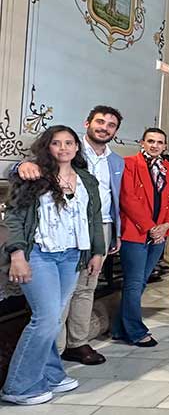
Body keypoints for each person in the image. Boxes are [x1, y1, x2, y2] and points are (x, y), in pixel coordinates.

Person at [1, 126, 105, 405]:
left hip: (71, 255)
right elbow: (13, 219)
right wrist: (17, 255)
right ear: (47, 147)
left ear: (76, 148)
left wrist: (97, 251)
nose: (63, 148)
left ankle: (50, 373)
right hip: (40, 255)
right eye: (56, 143)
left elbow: (93, 218)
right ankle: (19, 386)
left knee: (54, 317)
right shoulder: (33, 176)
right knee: (45, 319)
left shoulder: (86, 180)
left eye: (69, 143)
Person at [15, 106, 124, 365]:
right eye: (100, 122)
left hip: (100, 227)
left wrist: (113, 234)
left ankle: (78, 342)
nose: (104, 128)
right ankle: (55, 348)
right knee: (60, 295)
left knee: (86, 288)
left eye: (111, 125)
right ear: (87, 122)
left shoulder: (117, 160)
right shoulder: (69, 148)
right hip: (59, 234)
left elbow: (115, 199)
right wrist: (23, 165)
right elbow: (31, 170)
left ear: (115, 131)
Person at [112, 127, 169, 346]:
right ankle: (136, 331)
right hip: (136, 233)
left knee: (140, 283)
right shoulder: (129, 163)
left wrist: (166, 224)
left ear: (165, 146)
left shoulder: (167, 167)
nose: (155, 145)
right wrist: (151, 227)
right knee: (133, 282)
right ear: (142, 142)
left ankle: (120, 328)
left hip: (158, 235)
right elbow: (128, 198)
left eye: (159, 142)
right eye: (150, 141)